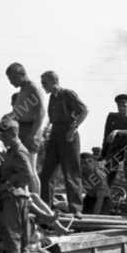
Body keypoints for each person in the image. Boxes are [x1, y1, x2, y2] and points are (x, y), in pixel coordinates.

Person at [0, 115, 38, 253]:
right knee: (23, 246)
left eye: (3, 134)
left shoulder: (19, 151)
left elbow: (28, 175)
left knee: (13, 243)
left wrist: (9, 183)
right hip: (20, 199)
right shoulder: (13, 151)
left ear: (12, 133)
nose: (1, 137)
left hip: (14, 199)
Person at [39, 70, 88, 213]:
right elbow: (52, 118)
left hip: (68, 134)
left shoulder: (67, 94)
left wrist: (73, 129)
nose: (43, 86)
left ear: (53, 81)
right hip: (55, 134)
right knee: (46, 174)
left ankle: (76, 209)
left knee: (71, 172)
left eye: (44, 83)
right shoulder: (52, 98)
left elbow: (84, 110)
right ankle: (45, 208)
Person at [101, 93, 127, 186]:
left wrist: (116, 131)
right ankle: (107, 189)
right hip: (114, 146)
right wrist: (104, 152)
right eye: (119, 106)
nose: (121, 108)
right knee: (110, 169)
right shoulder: (111, 116)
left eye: (124, 106)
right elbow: (106, 134)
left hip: (126, 147)